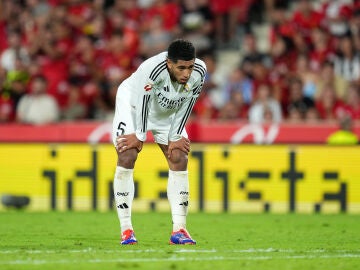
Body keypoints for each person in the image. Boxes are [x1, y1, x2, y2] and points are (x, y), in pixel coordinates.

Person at [111, 39, 206, 245]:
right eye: (181, 68)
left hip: (166, 111)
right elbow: (143, 102)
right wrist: (140, 135)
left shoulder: (200, 71)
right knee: (128, 154)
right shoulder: (151, 69)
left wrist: (176, 136)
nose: (187, 73)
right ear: (169, 63)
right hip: (133, 104)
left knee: (179, 156)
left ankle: (179, 230)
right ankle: (126, 229)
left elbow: (188, 102)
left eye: (190, 67)